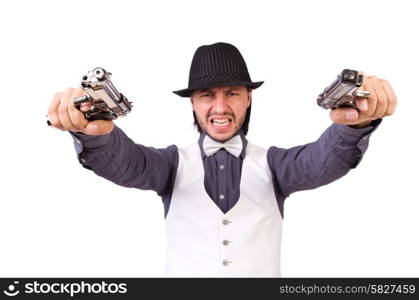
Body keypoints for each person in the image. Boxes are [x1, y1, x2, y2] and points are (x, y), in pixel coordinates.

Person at [47, 42, 397, 277]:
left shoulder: (276, 166)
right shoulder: (169, 166)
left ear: (248, 99)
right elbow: (124, 162)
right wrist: (94, 133)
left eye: (232, 93)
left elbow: (322, 161)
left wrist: (357, 124)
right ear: (193, 104)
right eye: (206, 95)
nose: (220, 107)